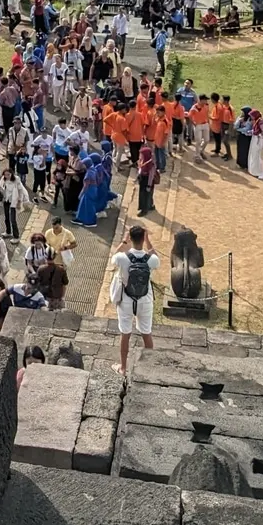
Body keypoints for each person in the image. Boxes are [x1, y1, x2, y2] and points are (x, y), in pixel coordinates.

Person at [110, 224, 159, 376]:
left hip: (126, 299)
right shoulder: (151, 260)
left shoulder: (122, 258)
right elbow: (156, 258)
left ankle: (123, 367)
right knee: (146, 333)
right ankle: (149, 367)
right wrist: (149, 242)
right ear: (143, 239)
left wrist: (124, 242)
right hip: (145, 299)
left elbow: (113, 258)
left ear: (130, 238)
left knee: (125, 333)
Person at [0, 166, 30, 240]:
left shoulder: (16, 180)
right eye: (5, 175)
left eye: (8, 174)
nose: (7, 176)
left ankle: (16, 236)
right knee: (6, 217)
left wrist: (19, 201)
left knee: (13, 219)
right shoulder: (3, 179)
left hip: (13, 201)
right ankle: (8, 232)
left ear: (11, 174)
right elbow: (1, 188)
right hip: (6, 200)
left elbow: (20, 191)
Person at [136, 143, 158, 215]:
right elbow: (140, 168)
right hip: (143, 179)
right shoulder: (143, 161)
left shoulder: (150, 164)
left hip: (147, 181)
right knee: (148, 195)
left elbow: (151, 176)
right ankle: (150, 206)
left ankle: (144, 210)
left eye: (141, 155)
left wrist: (149, 185)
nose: (140, 156)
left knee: (145, 195)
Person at [247, 111, 263, 180]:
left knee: (258, 156)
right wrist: (252, 132)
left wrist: (258, 134)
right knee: (254, 155)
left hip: (259, 140)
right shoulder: (256, 121)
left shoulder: (260, 121)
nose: (251, 117)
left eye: (252, 116)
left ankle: (262, 172)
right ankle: (255, 171)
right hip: (255, 139)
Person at [234, 106, 254, 171]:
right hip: (240, 137)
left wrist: (239, 129)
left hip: (247, 137)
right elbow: (235, 126)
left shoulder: (250, 120)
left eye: (243, 112)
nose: (241, 113)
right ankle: (240, 163)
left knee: (246, 150)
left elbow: (247, 129)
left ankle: (246, 164)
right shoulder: (240, 118)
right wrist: (239, 121)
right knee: (240, 150)